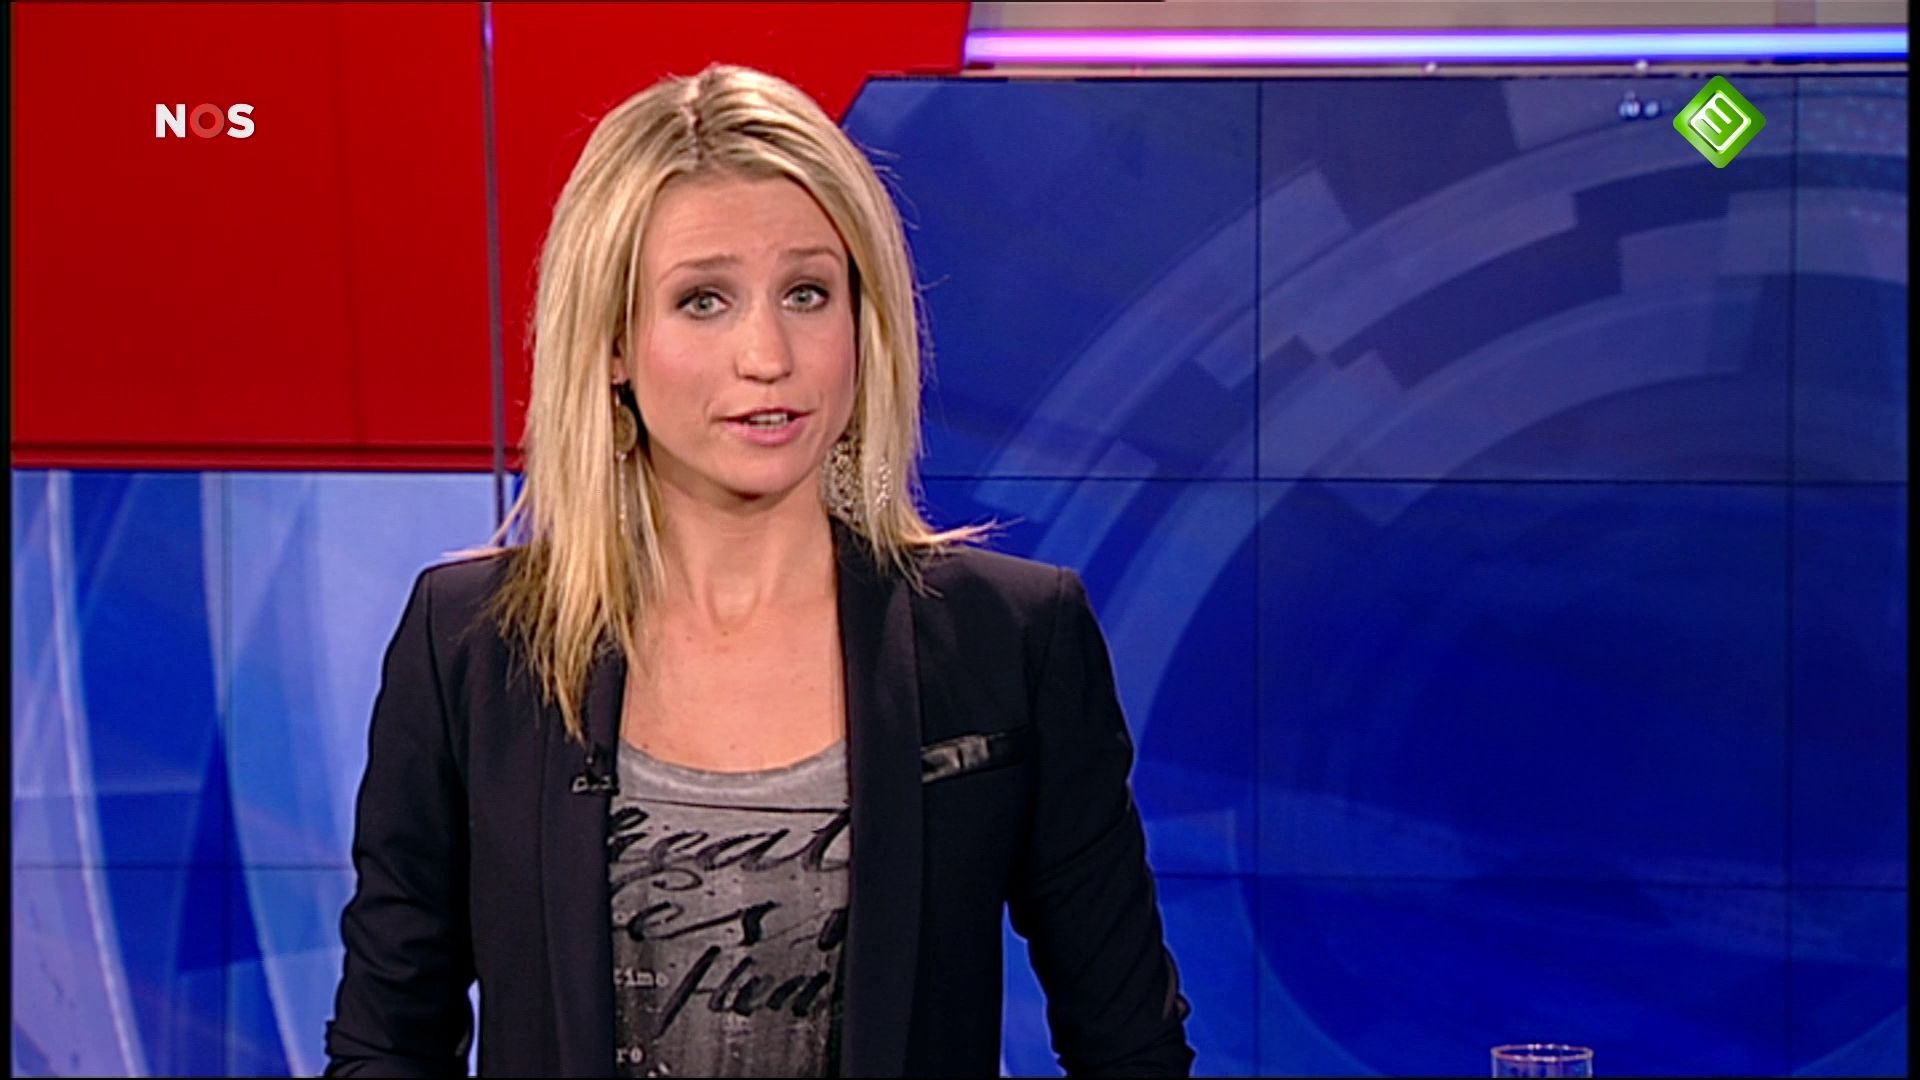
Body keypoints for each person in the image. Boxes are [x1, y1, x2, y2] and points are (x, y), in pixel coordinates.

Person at [323, 62, 1193, 1079]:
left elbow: (1130, 1045)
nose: (768, 354)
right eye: (704, 301)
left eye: (808, 294)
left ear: (863, 320)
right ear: (613, 342)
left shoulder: (1010, 639)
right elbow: (388, 1041)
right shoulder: (473, 644)